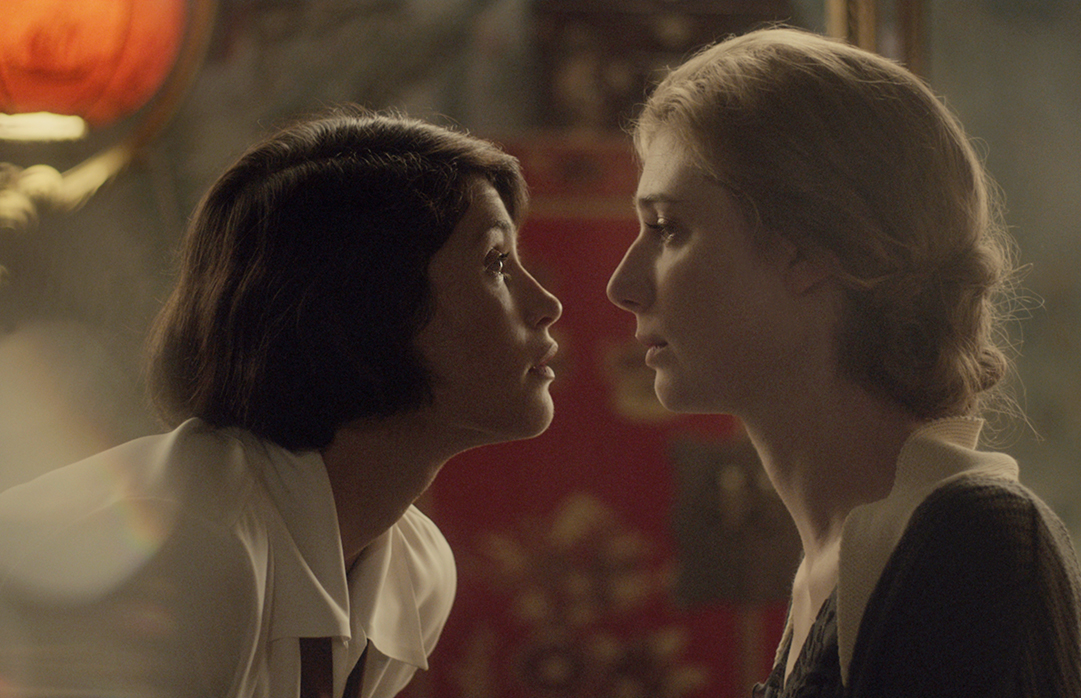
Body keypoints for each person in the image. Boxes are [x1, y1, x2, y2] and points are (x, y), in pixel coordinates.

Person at [0, 109, 562, 697]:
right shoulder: (194, 552)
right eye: (496, 263)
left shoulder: (414, 572)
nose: (547, 304)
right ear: (365, 305)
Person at [606, 26, 1081, 697]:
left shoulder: (971, 546)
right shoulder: (836, 569)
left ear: (809, 248)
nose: (622, 284)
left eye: (667, 229)